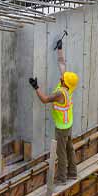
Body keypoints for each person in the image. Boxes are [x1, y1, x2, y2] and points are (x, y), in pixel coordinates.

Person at [29, 39, 80, 185]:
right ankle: (73, 173)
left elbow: (45, 99)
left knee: (61, 152)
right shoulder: (69, 86)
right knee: (69, 148)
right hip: (68, 124)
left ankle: (62, 178)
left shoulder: (60, 94)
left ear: (64, 82)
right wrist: (60, 49)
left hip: (62, 128)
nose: (61, 76)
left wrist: (36, 87)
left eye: (63, 78)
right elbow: (62, 64)